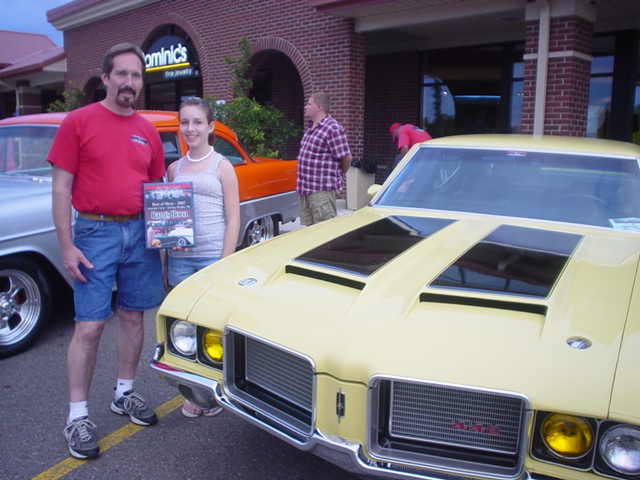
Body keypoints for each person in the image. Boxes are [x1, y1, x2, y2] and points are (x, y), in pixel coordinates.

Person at [49, 43, 166, 460]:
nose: (129, 83)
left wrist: (165, 237)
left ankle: (124, 393)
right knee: (90, 325)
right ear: (106, 78)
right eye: (122, 74)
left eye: (136, 76)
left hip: (139, 234)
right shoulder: (78, 122)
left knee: (134, 316)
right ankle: (77, 415)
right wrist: (66, 247)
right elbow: (61, 187)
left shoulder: (148, 130)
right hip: (94, 233)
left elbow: (159, 189)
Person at [165, 97, 240, 418]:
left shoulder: (222, 166)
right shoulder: (173, 169)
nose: (190, 128)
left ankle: (215, 391)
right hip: (181, 260)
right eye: (185, 122)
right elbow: (167, 214)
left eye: (197, 122)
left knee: (211, 330)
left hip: (213, 258)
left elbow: (233, 218)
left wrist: (225, 262)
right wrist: (169, 243)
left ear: (210, 127)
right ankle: (194, 394)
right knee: (184, 328)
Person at [296, 92, 352, 226]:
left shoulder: (332, 128)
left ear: (319, 107)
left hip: (321, 190)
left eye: (309, 104)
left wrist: (339, 174)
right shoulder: (311, 128)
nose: (305, 107)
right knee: (309, 231)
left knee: (323, 230)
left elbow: (346, 157)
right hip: (306, 190)